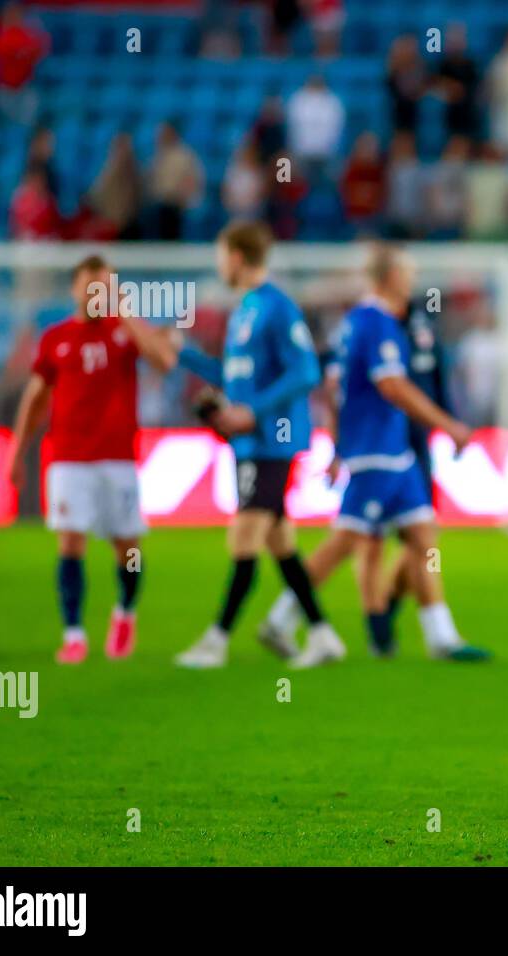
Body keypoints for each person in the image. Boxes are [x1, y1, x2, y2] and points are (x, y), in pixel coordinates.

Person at [119, 222, 340, 668]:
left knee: (244, 537)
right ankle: (322, 634)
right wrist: (183, 353)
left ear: (237, 257)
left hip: (271, 444)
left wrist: (252, 412)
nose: (219, 264)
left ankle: (216, 640)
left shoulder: (277, 307)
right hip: (249, 444)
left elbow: (305, 372)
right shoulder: (244, 312)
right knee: (280, 542)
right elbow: (230, 379)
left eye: (221, 255)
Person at [260, 244, 489, 665]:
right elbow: (393, 387)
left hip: (392, 450)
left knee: (423, 536)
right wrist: (448, 424)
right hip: (377, 450)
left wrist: (336, 446)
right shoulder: (379, 323)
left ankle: (441, 635)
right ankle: (282, 617)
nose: (412, 277)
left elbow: (333, 387)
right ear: (390, 276)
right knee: (346, 542)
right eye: (407, 270)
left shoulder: (353, 323)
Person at [6, 255, 170, 663]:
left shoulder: (125, 332)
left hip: (118, 458)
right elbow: (36, 397)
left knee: (127, 548)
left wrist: (126, 310)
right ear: (75, 288)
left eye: (106, 287)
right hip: (68, 457)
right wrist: (16, 450)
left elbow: (164, 360)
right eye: (91, 285)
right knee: (70, 541)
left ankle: (124, 613)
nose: (97, 294)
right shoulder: (56, 338)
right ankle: (74, 633)